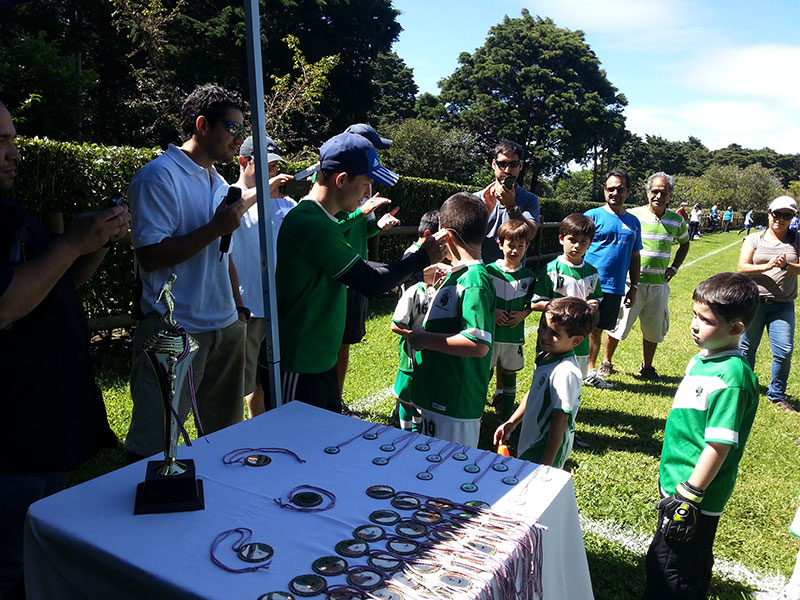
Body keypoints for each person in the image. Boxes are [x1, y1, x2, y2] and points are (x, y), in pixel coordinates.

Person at [0, 100, 127, 597]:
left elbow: (55, 287)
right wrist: (70, 243)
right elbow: (6, 305)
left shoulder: (11, 211)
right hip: (13, 443)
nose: (16, 153)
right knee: (13, 567)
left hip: (42, 432)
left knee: (37, 555)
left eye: (13, 139)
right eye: (3, 142)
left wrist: (93, 245)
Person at [273, 133, 446, 412]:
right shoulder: (312, 224)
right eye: (365, 184)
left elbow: (363, 269)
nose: (368, 194)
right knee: (297, 449)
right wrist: (422, 256)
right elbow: (370, 282)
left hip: (319, 358)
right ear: (341, 180)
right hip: (301, 362)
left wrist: (414, 266)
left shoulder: (324, 220)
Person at [126, 85, 253, 460]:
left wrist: (239, 310)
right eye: (233, 128)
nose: (239, 139)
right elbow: (150, 256)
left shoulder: (216, 181)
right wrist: (216, 227)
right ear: (201, 125)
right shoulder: (158, 177)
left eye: (241, 130)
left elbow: (221, 252)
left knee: (226, 442)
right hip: (175, 330)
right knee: (155, 445)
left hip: (224, 327)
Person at [643, 271, 760, 599]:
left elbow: (718, 444)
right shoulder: (704, 360)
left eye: (705, 320)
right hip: (677, 485)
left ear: (736, 328)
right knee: (663, 561)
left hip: (693, 500)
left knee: (675, 575)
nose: (695, 324)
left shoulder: (731, 377)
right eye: (695, 315)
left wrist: (690, 495)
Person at [409, 192, 496, 447]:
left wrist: (422, 339)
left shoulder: (474, 281)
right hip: (436, 397)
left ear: (445, 236)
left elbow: (477, 343)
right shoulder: (460, 275)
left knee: (447, 475)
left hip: (453, 406)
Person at [602, 173, 690, 382]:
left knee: (653, 330)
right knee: (618, 325)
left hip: (658, 286)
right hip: (631, 284)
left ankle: (647, 367)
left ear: (670, 195)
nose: (658, 196)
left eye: (663, 192)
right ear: (647, 192)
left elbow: (685, 243)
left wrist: (675, 267)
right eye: (655, 191)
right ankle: (606, 362)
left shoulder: (677, 221)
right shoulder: (632, 216)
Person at [493, 297, 597, 469]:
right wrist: (512, 423)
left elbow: (561, 419)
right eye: (543, 327)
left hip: (544, 450)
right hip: (531, 441)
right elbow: (535, 392)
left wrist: (546, 464)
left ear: (576, 341)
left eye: (554, 334)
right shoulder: (546, 357)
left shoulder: (565, 372)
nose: (544, 335)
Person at [231, 135, 294, 417]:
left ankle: (263, 431)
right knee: (240, 385)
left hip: (276, 307)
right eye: (266, 165)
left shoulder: (282, 202)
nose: (273, 172)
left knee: (269, 381)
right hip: (245, 307)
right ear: (243, 162)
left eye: (276, 166)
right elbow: (227, 215)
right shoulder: (228, 194)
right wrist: (264, 192)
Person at [336, 124, 397, 412]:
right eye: (373, 148)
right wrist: (361, 212)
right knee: (331, 340)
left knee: (346, 341)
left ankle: (336, 399)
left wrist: (378, 225)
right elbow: (331, 230)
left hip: (357, 271)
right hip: (337, 272)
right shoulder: (336, 182)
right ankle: (327, 401)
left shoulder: (366, 183)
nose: (377, 155)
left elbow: (364, 230)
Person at [737, 195, 800, 412]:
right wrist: (765, 267)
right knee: (746, 348)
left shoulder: (796, 239)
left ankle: (777, 395)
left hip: (782, 305)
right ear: (769, 213)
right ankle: (745, 390)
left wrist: (785, 267)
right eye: (777, 214)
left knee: (784, 350)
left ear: (792, 218)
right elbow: (742, 267)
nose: (780, 219)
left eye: (787, 215)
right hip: (754, 302)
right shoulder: (755, 239)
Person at [582, 169, 642, 389]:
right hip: (588, 284)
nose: (615, 192)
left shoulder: (634, 222)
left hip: (615, 286)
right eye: (610, 188)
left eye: (620, 188)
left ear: (628, 192)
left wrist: (633, 287)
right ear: (604, 190)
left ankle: (589, 370)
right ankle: (575, 368)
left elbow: (635, 256)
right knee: (580, 326)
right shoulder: (592, 216)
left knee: (598, 329)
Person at [531, 213, 602, 378]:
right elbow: (536, 303)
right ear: (561, 239)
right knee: (545, 377)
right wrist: (564, 308)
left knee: (574, 378)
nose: (577, 246)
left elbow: (596, 300)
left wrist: (592, 306)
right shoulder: (551, 270)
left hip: (579, 338)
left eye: (583, 242)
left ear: (590, 244)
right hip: (552, 336)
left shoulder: (592, 272)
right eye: (573, 240)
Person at [486, 219, 537, 420]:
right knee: (484, 373)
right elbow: (480, 301)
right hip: (490, 335)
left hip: (513, 337)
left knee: (509, 373)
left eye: (520, 246)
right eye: (510, 245)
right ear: (500, 244)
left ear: (527, 247)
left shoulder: (529, 276)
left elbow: (532, 303)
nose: (515, 250)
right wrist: (494, 312)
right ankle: (476, 412)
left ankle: (506, 415)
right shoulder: (488, 271)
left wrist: (523, 314)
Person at [475, 140, 540, 263]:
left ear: (520, 166)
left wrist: (511, 206)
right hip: (480, 270)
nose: (507, 169)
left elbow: (529, 234)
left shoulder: (529, 199)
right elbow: (466, 237)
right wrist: (485, 213)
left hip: (513, 274)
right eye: (502, 164)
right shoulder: (477, 198)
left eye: (513, 164)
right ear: (494, 164)